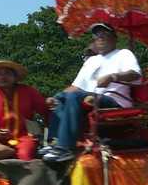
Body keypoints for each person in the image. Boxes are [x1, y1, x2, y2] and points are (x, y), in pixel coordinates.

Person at [42, 23, 142, 162]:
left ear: (114, 38)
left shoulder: (123, 54)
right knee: (61, 99)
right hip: (89, 98)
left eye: (104, 34)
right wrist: (56, 97)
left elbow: (135, 74)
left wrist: (112, 77)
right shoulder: (91, 61)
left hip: (113, 101)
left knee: (74, 97)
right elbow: (75, 86)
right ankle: (53, 143)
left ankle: (65, 148)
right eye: (96, 35)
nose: (99, 37)